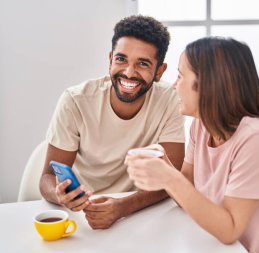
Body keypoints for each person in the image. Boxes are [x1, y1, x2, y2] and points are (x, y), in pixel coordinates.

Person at [126, 37, 259, 252]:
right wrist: (165, 165)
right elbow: (186, 195)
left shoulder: (257, 139)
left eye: (180, 76)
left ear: (207, 84)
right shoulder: (200, 127)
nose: (173, 85)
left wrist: (168, 177)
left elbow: (230, 230)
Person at [39, 15, 185, 229]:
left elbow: (172, 179)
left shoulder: (169, 100)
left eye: (142, 63)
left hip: (141, 213)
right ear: (110, 59)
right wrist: (60, 195)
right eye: (121, 59)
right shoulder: (75, 100)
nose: (128, 72)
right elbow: (47, 177)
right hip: (82, 214)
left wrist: (123, 207)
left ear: (159, 72)